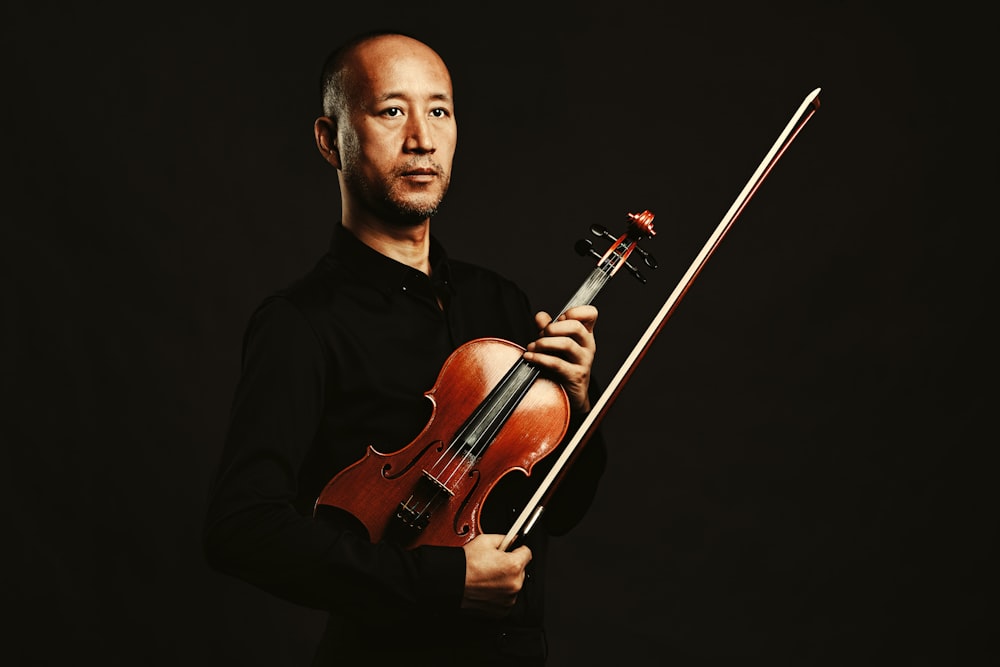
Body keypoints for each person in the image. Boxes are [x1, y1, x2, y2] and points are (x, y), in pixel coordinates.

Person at [203, 29, 607, 666]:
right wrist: (443, 583)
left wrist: (578, 405)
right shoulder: (300, 323)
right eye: (391, 111)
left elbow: (558, 509)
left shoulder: (499, 303)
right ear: (328, 138)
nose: (421, 138)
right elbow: (240, 529)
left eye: (438, 110)